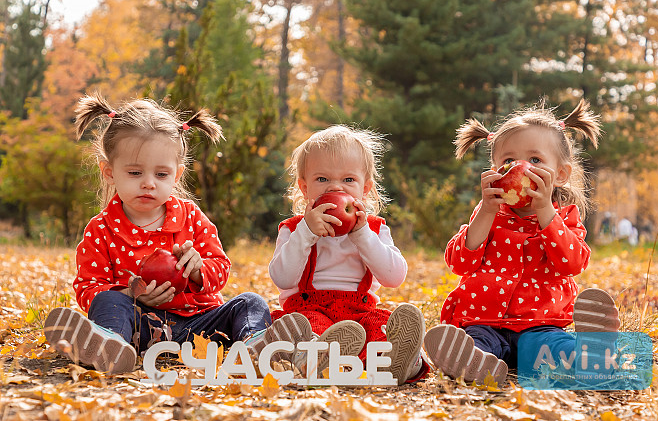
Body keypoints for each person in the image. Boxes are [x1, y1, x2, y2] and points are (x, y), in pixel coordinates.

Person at [43, 93, 272, 374]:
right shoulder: (101, 229)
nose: (149, 184)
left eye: (161, 175)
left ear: (176, 175)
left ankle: (256, 344)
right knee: (107, 301)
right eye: (135, 173)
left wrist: (199, 269)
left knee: (250, 302)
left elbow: (221, 269)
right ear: (109, 172)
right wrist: (129, 294)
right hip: (139, 329)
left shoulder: (191, 218)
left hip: (200, 326)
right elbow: (88, 289)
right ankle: (110, 345)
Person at [424, 99, 620, 386]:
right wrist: (486, 212)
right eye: (508, 161)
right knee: (476, 343)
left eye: (536, 160)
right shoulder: (489, 213)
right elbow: (458, 262)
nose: (520, 168)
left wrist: (545, 213)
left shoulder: (563, 217)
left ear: (561, 174)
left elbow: (573, 262)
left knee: (550, 348)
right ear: (494, 170)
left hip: (540, 324)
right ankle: (472, 364)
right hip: (484, 321)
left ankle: (590, 356)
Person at [258, 125, 430, 385]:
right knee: (306, 326)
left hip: (359, 313)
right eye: (322, 179)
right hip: (309, 308)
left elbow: (394, 277)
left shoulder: (373, 229)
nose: (335, 187)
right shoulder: (294, 229)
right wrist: (306, 233)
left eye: (348, 180)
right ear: (304, 189)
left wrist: (362, 236)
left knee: (376, 325)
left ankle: (398, 360)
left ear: (365, 188)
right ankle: (315, 357)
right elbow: (282, 278)